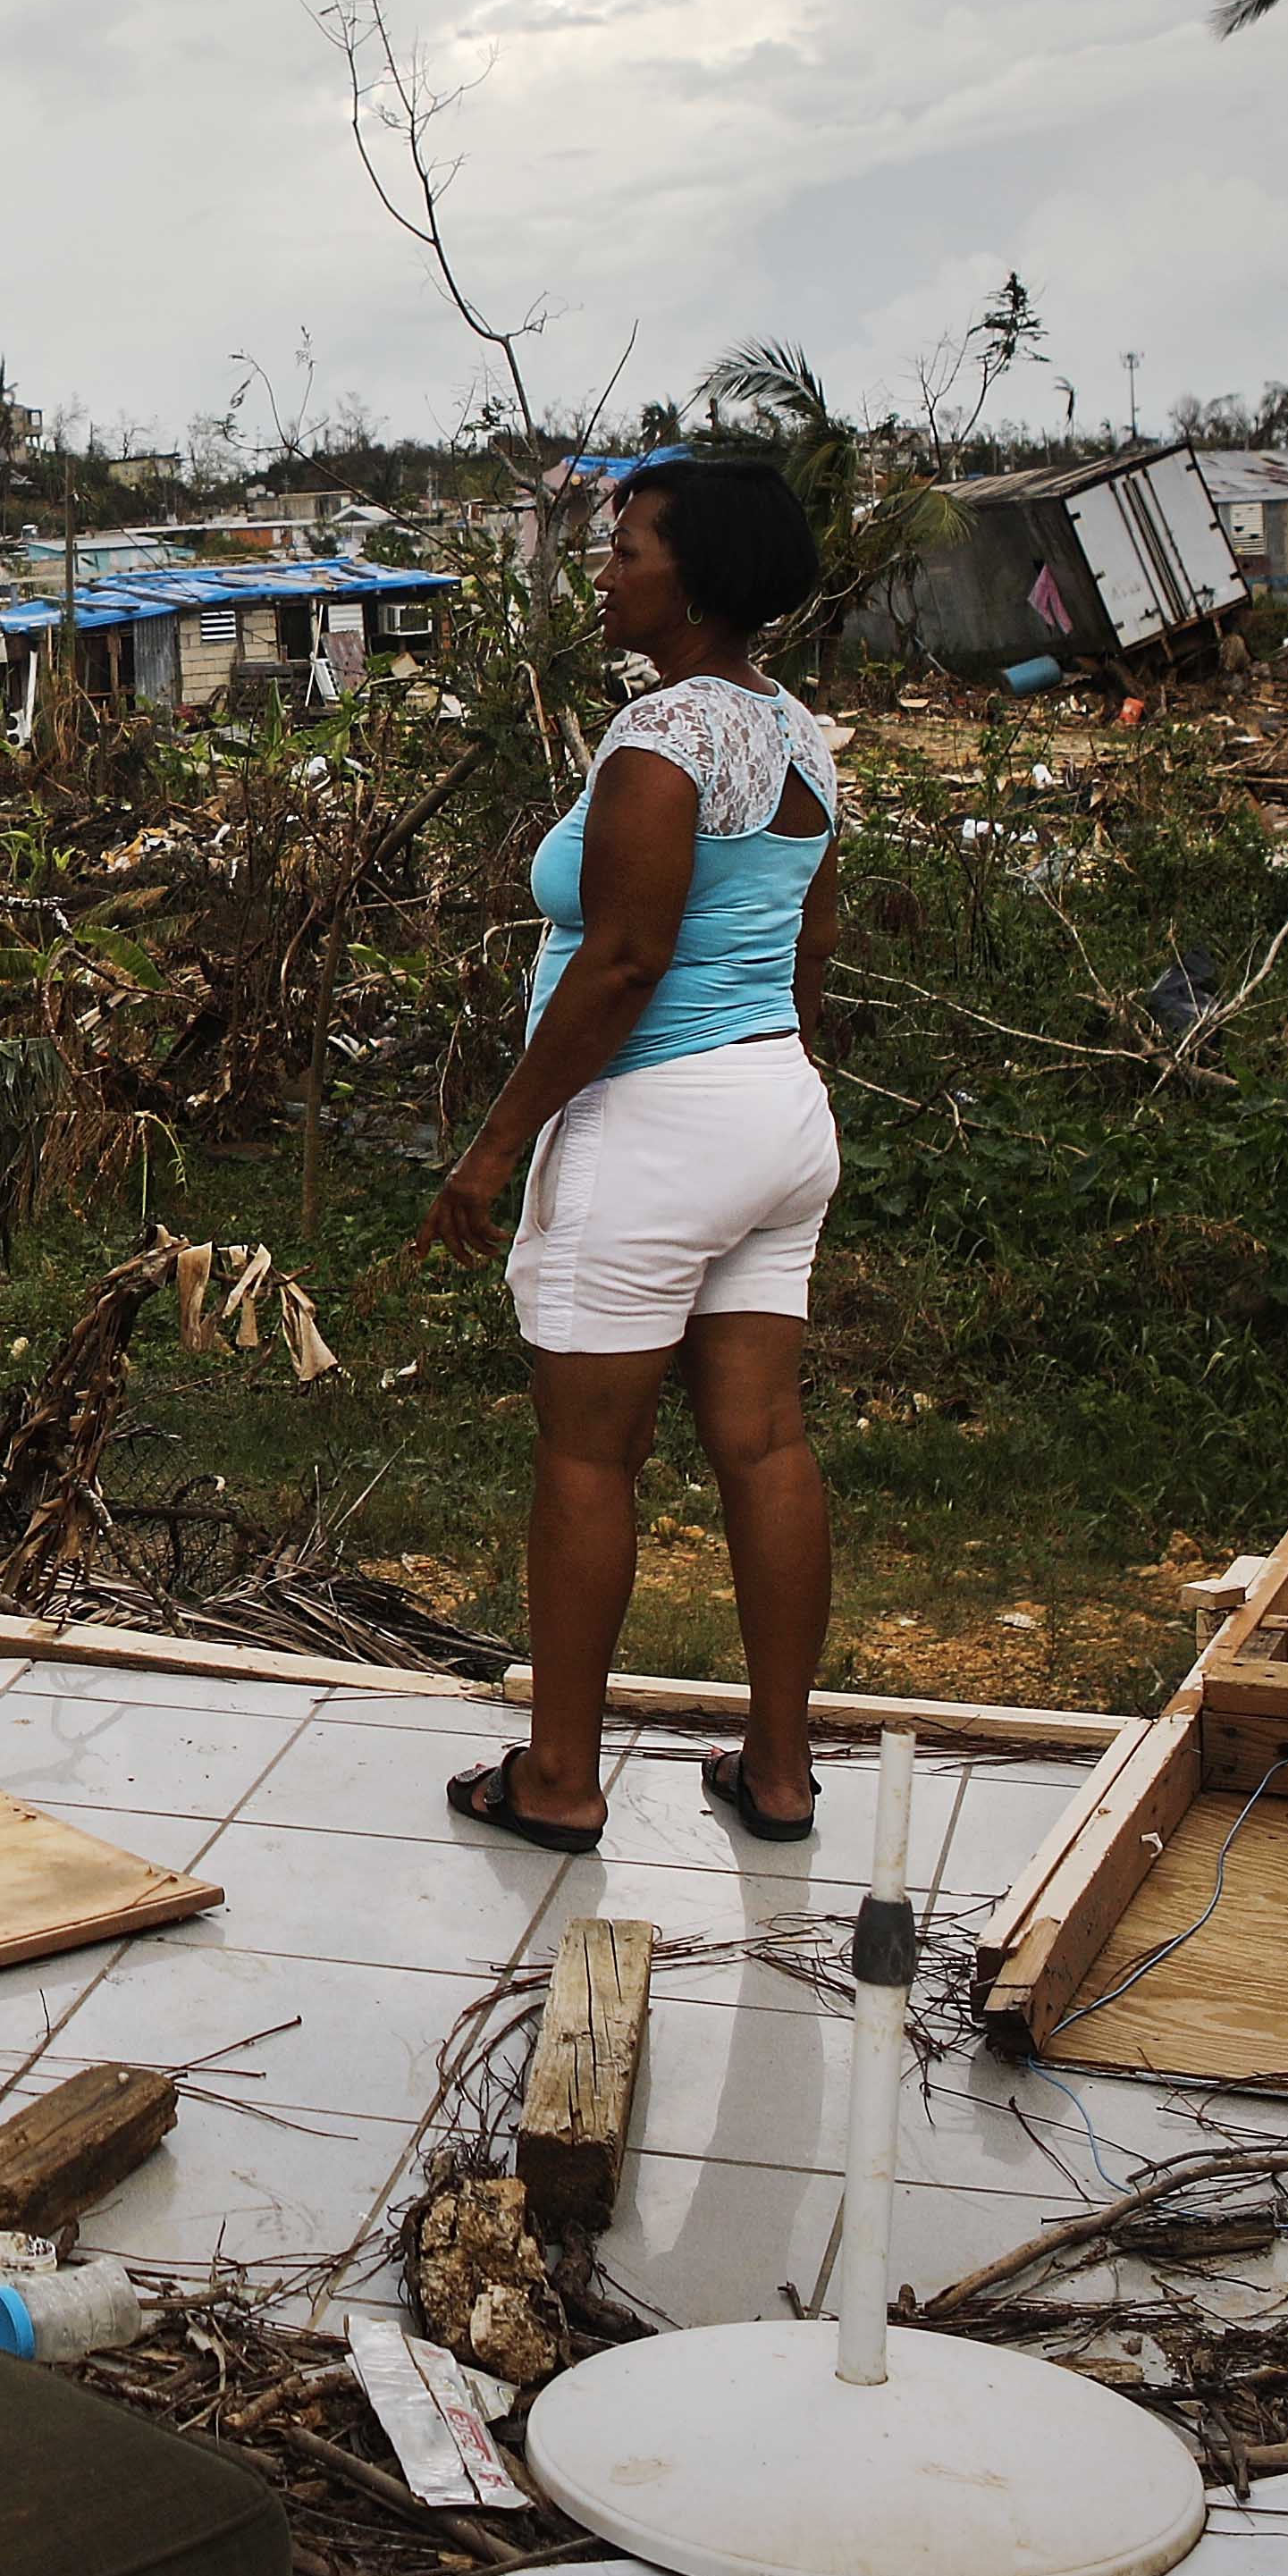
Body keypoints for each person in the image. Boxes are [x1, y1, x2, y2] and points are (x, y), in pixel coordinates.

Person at [422, 452, 844, 1854]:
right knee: (765, 1441)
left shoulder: (664, 735)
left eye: (628, 550)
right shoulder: (802, 737)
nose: (606, 574)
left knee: (589, 1458)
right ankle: (777, 1774)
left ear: (696, 577)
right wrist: (763, 1089)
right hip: (776, 1111)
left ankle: (558, 1779)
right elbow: (809, 948)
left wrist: (492, 1150)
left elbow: (621, 962)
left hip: (656, 1126)